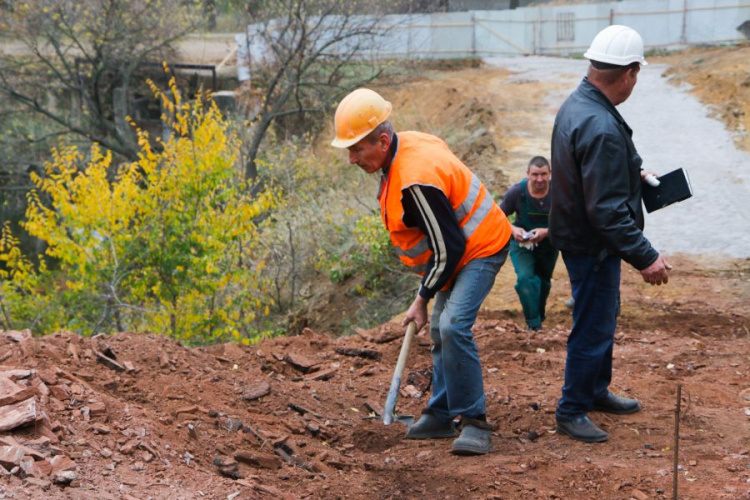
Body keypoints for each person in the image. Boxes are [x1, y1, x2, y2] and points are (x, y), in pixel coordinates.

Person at [331, 88, 512, 455]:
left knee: (452, 324)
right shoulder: (401, 150)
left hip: (482, 246)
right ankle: (442, 413)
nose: (351, 159)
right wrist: (425, 296)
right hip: (454, 251)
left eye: (357, 149)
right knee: (443, 329)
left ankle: (475, 422)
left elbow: (452, 247)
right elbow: (442, 242)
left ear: (383, 141)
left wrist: (423, 298)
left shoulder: (414, 179)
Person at [549, 25, 672, 443]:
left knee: (603, 315)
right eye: (637, 75)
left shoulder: (579, 104)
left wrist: (629, 173)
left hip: (581, 238)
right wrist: (646, 256)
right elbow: (605, 211)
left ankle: (596, 390)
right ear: (629, 73)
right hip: (592, 245)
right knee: (594, 325)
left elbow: (587, 173)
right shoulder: (599, 124)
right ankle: (572, 410)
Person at [500, 156, 558, 331]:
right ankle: (533, 324)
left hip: (549, 244)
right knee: (525, 279)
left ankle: (538, 318)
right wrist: (512, 229)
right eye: (535, 175)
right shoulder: (517, 192)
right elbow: (497, 215)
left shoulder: (560, 192)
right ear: (527, 174)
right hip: (521, 244)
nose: (539, 179)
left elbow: (571, 220)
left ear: (550, 174)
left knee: (543, 282)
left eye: (543, 174)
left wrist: (546, 232)